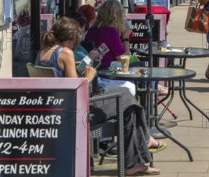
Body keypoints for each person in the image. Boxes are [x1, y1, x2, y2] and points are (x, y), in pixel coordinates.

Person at [35, 17, 162, 174]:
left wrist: (87, 62)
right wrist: (88, 79)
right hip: (76, 114)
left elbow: (66, 78)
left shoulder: (43, 53)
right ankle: (139, 151)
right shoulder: (66, 53)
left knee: (130, 110)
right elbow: (75, 91)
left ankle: (138, 152)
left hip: (57, 111)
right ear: (70, 38)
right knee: (126, 95)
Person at [85, 0, 135, 95]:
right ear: (118, 16)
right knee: (133, 86)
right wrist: (125, 38)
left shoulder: (92, 30)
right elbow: (124, 60)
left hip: (94, 75)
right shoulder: (111, 32)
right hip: (107, 76)